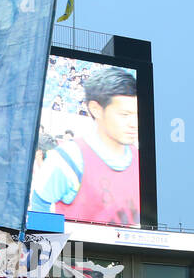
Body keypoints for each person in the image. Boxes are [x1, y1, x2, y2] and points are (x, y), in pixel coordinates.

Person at [30, 67, 141, 227]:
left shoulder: (139, 158)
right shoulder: (69, 158)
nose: (133, 123)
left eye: (136, 114)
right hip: (78, 250)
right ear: (96, 109)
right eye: (124, 115)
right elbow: (40, 204)